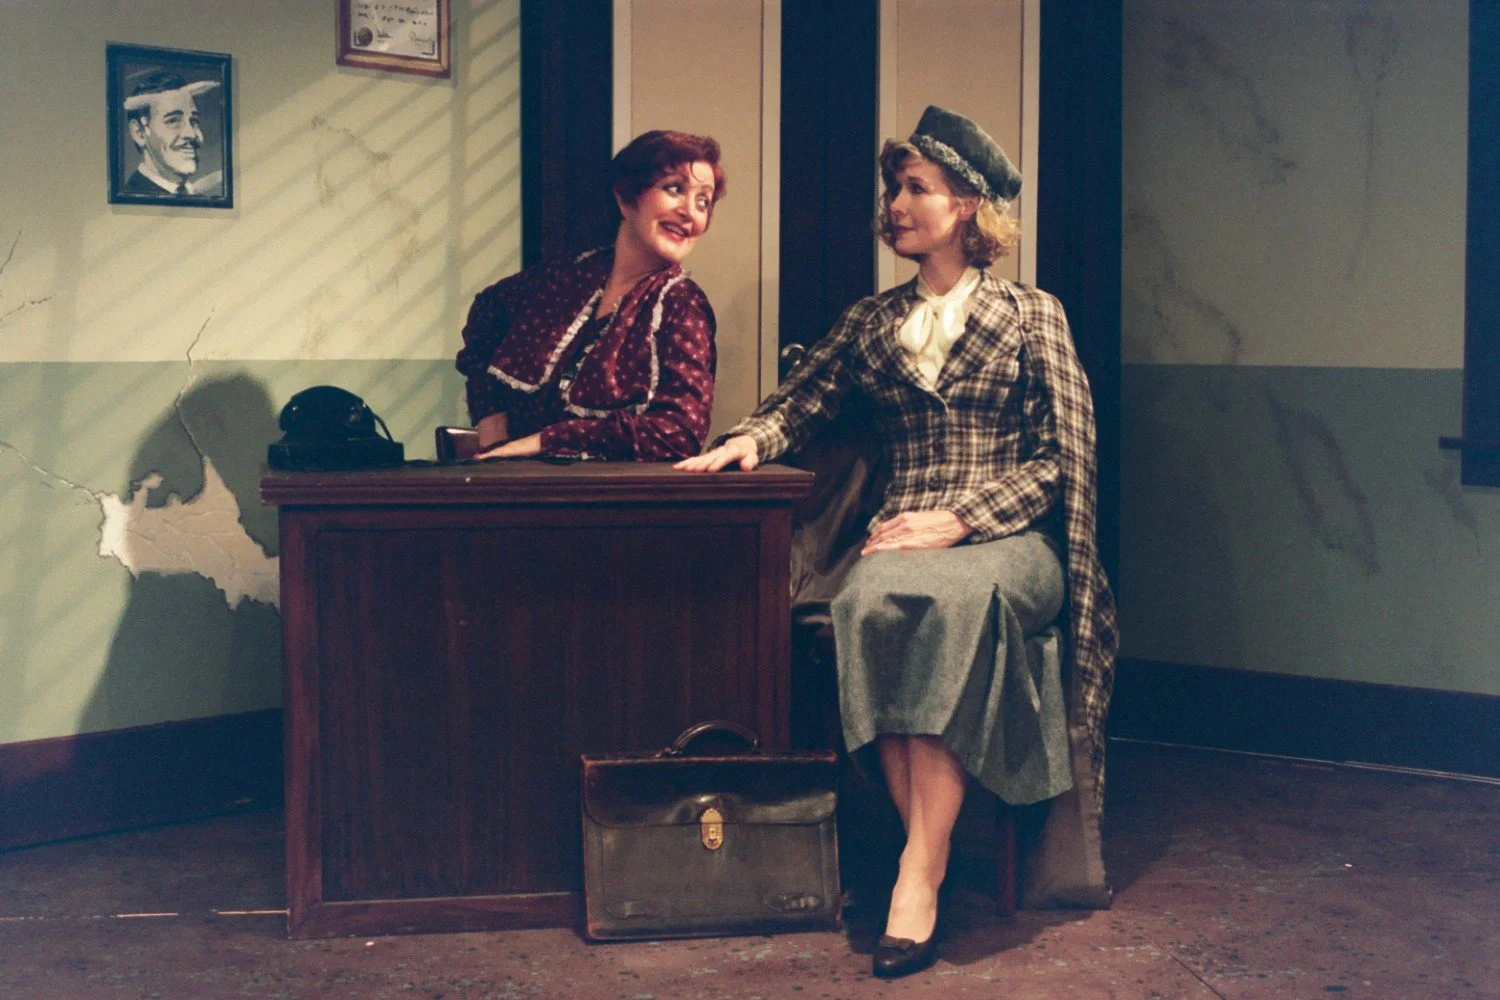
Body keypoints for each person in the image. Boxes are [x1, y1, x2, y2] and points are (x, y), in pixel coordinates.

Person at [677, 106, 1118, 978]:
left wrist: (963, 520)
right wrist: (748, 442)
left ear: (967, 207)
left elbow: (1064, 459)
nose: (897, 203)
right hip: (901, 538)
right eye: (894, 187)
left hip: (1010, 545)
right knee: (872, 600)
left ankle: (918, 872)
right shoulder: (872, 321)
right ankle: (931, 846)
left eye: (917, 188)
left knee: (946, 600)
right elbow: (798, 402)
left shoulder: (1034, 315)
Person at [456, 130, 725, 461]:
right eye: (675, 189)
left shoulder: (683, 307)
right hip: (515, 486)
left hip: (606, 499)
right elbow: (486, 314)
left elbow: (679, 434)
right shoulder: (565, 279)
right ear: (627, 198)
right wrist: (491, 418)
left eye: (703, 202)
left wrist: (548, 440)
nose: (690, 212)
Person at [122, 72, 222, 197]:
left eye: (194, 121)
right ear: (139, 133)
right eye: (173, 120)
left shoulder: (204, 197)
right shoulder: (132, 197)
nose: (192, 134)